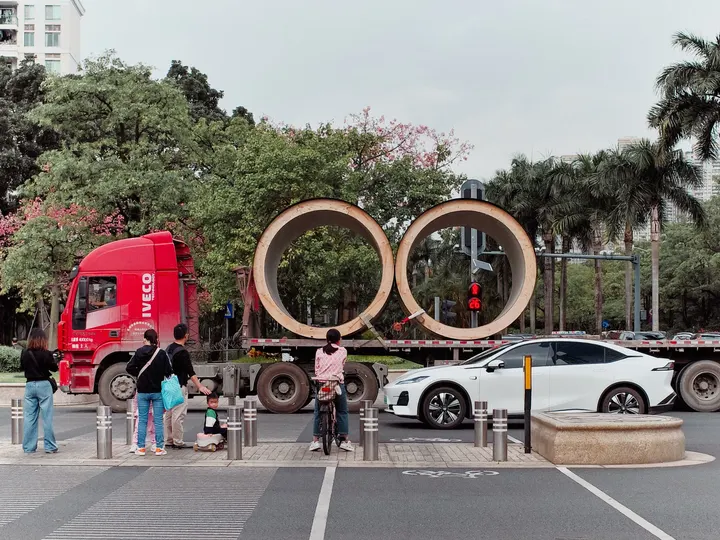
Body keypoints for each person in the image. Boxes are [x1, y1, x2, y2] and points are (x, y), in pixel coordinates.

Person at [164, 323, 211, 448]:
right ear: (186, 335)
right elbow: (191, 372)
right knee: (178, 414)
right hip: (179, 386)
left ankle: (168, 440)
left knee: (168, 414)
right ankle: (178, 441)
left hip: (168, 385)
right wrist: (200, 386)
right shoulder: (183, 352)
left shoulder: (168, 349)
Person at [126, 329, 171, 456]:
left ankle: (141, 448)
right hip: (157, 391)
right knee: (158, 421)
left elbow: (129, 367)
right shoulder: (161, 353)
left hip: (142, 391)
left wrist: (139, 374)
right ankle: (159, 448)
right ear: (156, 339)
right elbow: (168, 371)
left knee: (142, 420)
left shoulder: (139, 352)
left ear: (145, 339)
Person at [309, 328, 353, 452]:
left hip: (323, 385)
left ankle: (315, 441)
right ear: (338, 340)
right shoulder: (343, 351)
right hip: (336, 384)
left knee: (317, 412)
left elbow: (317, 369)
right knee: (342, 411)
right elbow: (342, 365)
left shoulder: (319, 351)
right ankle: (344, 440)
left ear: (327, 339)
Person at [20, 329, 58, 454]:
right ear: (43, 340)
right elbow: (54, 368)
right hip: (44, 385)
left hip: (30, 385)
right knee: (47, 417)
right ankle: (50, 446)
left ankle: (28, 447)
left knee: (29, 417)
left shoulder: (25, 353)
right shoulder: (46, 354)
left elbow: (22, 367)